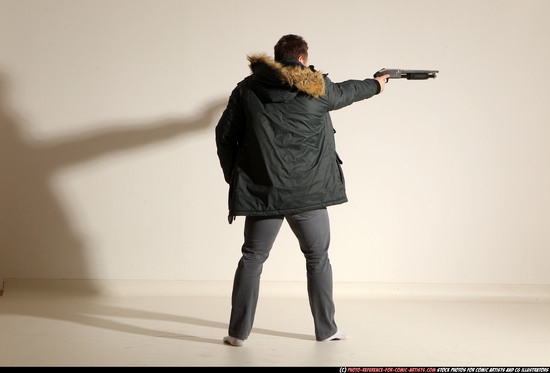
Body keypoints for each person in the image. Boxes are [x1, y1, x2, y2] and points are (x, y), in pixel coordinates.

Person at [215, 34, 389, 346]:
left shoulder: (247, 89)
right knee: (317, 257)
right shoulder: (317, 86)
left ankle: (237, 334)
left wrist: (237, 178)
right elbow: (351, 90)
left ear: (275, 58)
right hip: (308, 194)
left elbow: (224, 135)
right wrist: (377, 84)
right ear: (304, 59)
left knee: (252, 257)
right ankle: (326, 330)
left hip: (264, 193)